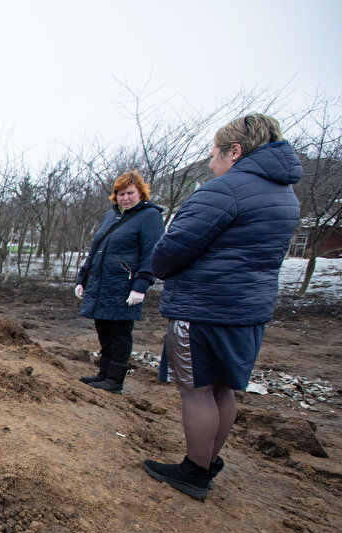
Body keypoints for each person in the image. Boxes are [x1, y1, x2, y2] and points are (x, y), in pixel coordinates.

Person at [143, 113, 302, 499]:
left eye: (214, 152)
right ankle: (207, 461)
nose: (211, 161)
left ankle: (194, 471)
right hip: (248, 309)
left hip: (204, 307)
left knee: (196, 389)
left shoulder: (224, 190)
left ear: (235, 151)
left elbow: (167, 254)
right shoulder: (284, 195)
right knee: (221, 388)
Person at [74, 170, 164, 393]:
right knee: (104, 330)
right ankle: (103, 373)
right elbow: (96, 250)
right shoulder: (111, 216)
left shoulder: (150, 216)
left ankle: (115, 381)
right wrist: (82, 279)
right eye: (120, 193)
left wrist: (141, 286)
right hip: (102, 284)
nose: (125, 198)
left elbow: (152, 253)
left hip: (124, 285)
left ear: (141, 193)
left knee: (120, 333)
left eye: (130, 193)